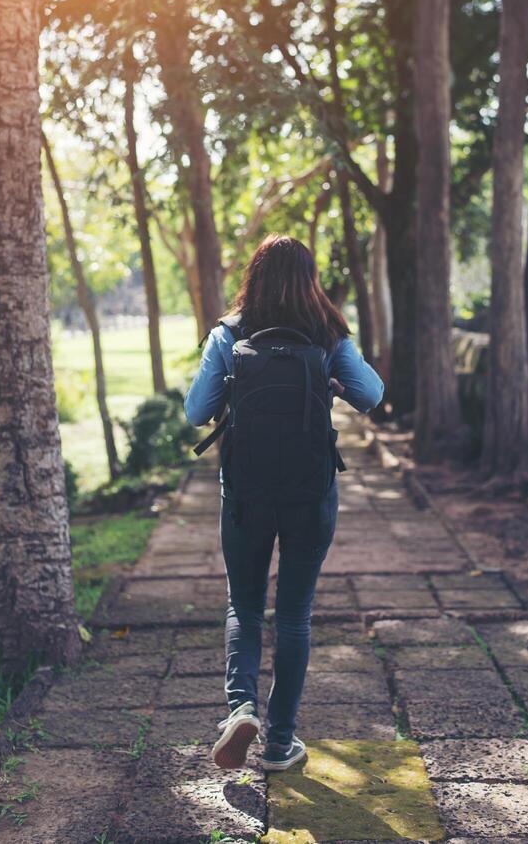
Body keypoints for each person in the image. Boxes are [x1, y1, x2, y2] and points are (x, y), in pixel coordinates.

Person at [184, 234, 383, 772]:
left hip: (245, 492)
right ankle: (279, 743)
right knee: (294, 615)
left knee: (244, 607)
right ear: (310, 279)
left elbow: (196, 411)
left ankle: (241, 708)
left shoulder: (229, 333)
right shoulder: (329, 333)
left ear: (253, 276)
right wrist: (334, 384)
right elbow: (372, 395)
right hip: (309, 490)